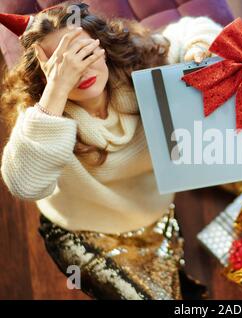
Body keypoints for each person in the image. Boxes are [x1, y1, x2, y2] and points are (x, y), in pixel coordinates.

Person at [0, 2, 222, 299]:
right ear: (45, 74)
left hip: (152, 211)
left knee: (176, 285)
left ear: (102, 46)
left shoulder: (138, 64)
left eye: (84, 52)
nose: (80, 70)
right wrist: (56, 90)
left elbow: (193, 30)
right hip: (83, 232)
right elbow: (24, 185)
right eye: (63, 63)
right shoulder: (42, 117)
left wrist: (199, 51)